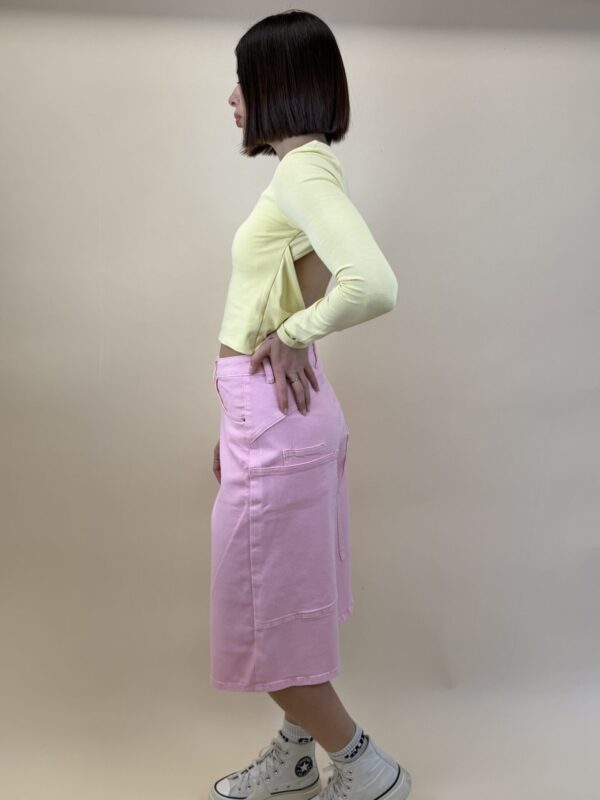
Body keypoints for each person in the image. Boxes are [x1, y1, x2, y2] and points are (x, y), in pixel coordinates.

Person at [209, 10, 412, 800]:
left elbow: (374, 283)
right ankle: (297, 757)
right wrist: (233, 421)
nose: (233, 97)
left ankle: (366, 770)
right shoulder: (305, 170)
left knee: (265, 619)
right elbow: (285, 289)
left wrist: (293, 333)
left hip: (274, 419)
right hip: (265, 417)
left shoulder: (303, 171)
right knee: (283, 610)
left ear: (278, 84)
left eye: (243, 80)